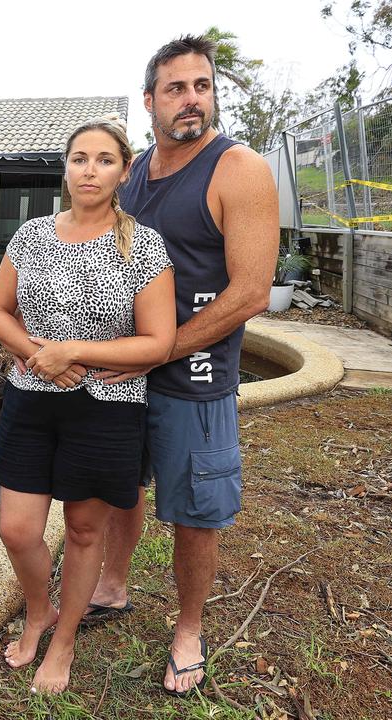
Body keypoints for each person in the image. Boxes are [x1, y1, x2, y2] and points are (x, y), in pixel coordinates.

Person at [81, 35, 279, 697]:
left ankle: (189, 629)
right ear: (150, 101)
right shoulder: (134, 173)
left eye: (201, 85)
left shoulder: (237, 168)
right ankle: (112, 585)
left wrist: (162, 347)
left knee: (195, 513)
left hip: (192, 378)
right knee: (121, 488)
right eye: (175, 88)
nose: (191, 99)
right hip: (126, 373)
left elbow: (250, 291)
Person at [0, 117, 177, 694]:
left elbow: (158, 341)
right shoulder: (32, 235)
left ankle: (63, 638)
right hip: (32, 402)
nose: (89, 170)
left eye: (104, 159)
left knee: (85, 529)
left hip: (108, 406)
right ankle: (38, 610)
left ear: (124, 170)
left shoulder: (143, 244)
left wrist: (74, 355)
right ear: (65, 168)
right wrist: (37, 354)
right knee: (18, 530)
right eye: (79, 158)